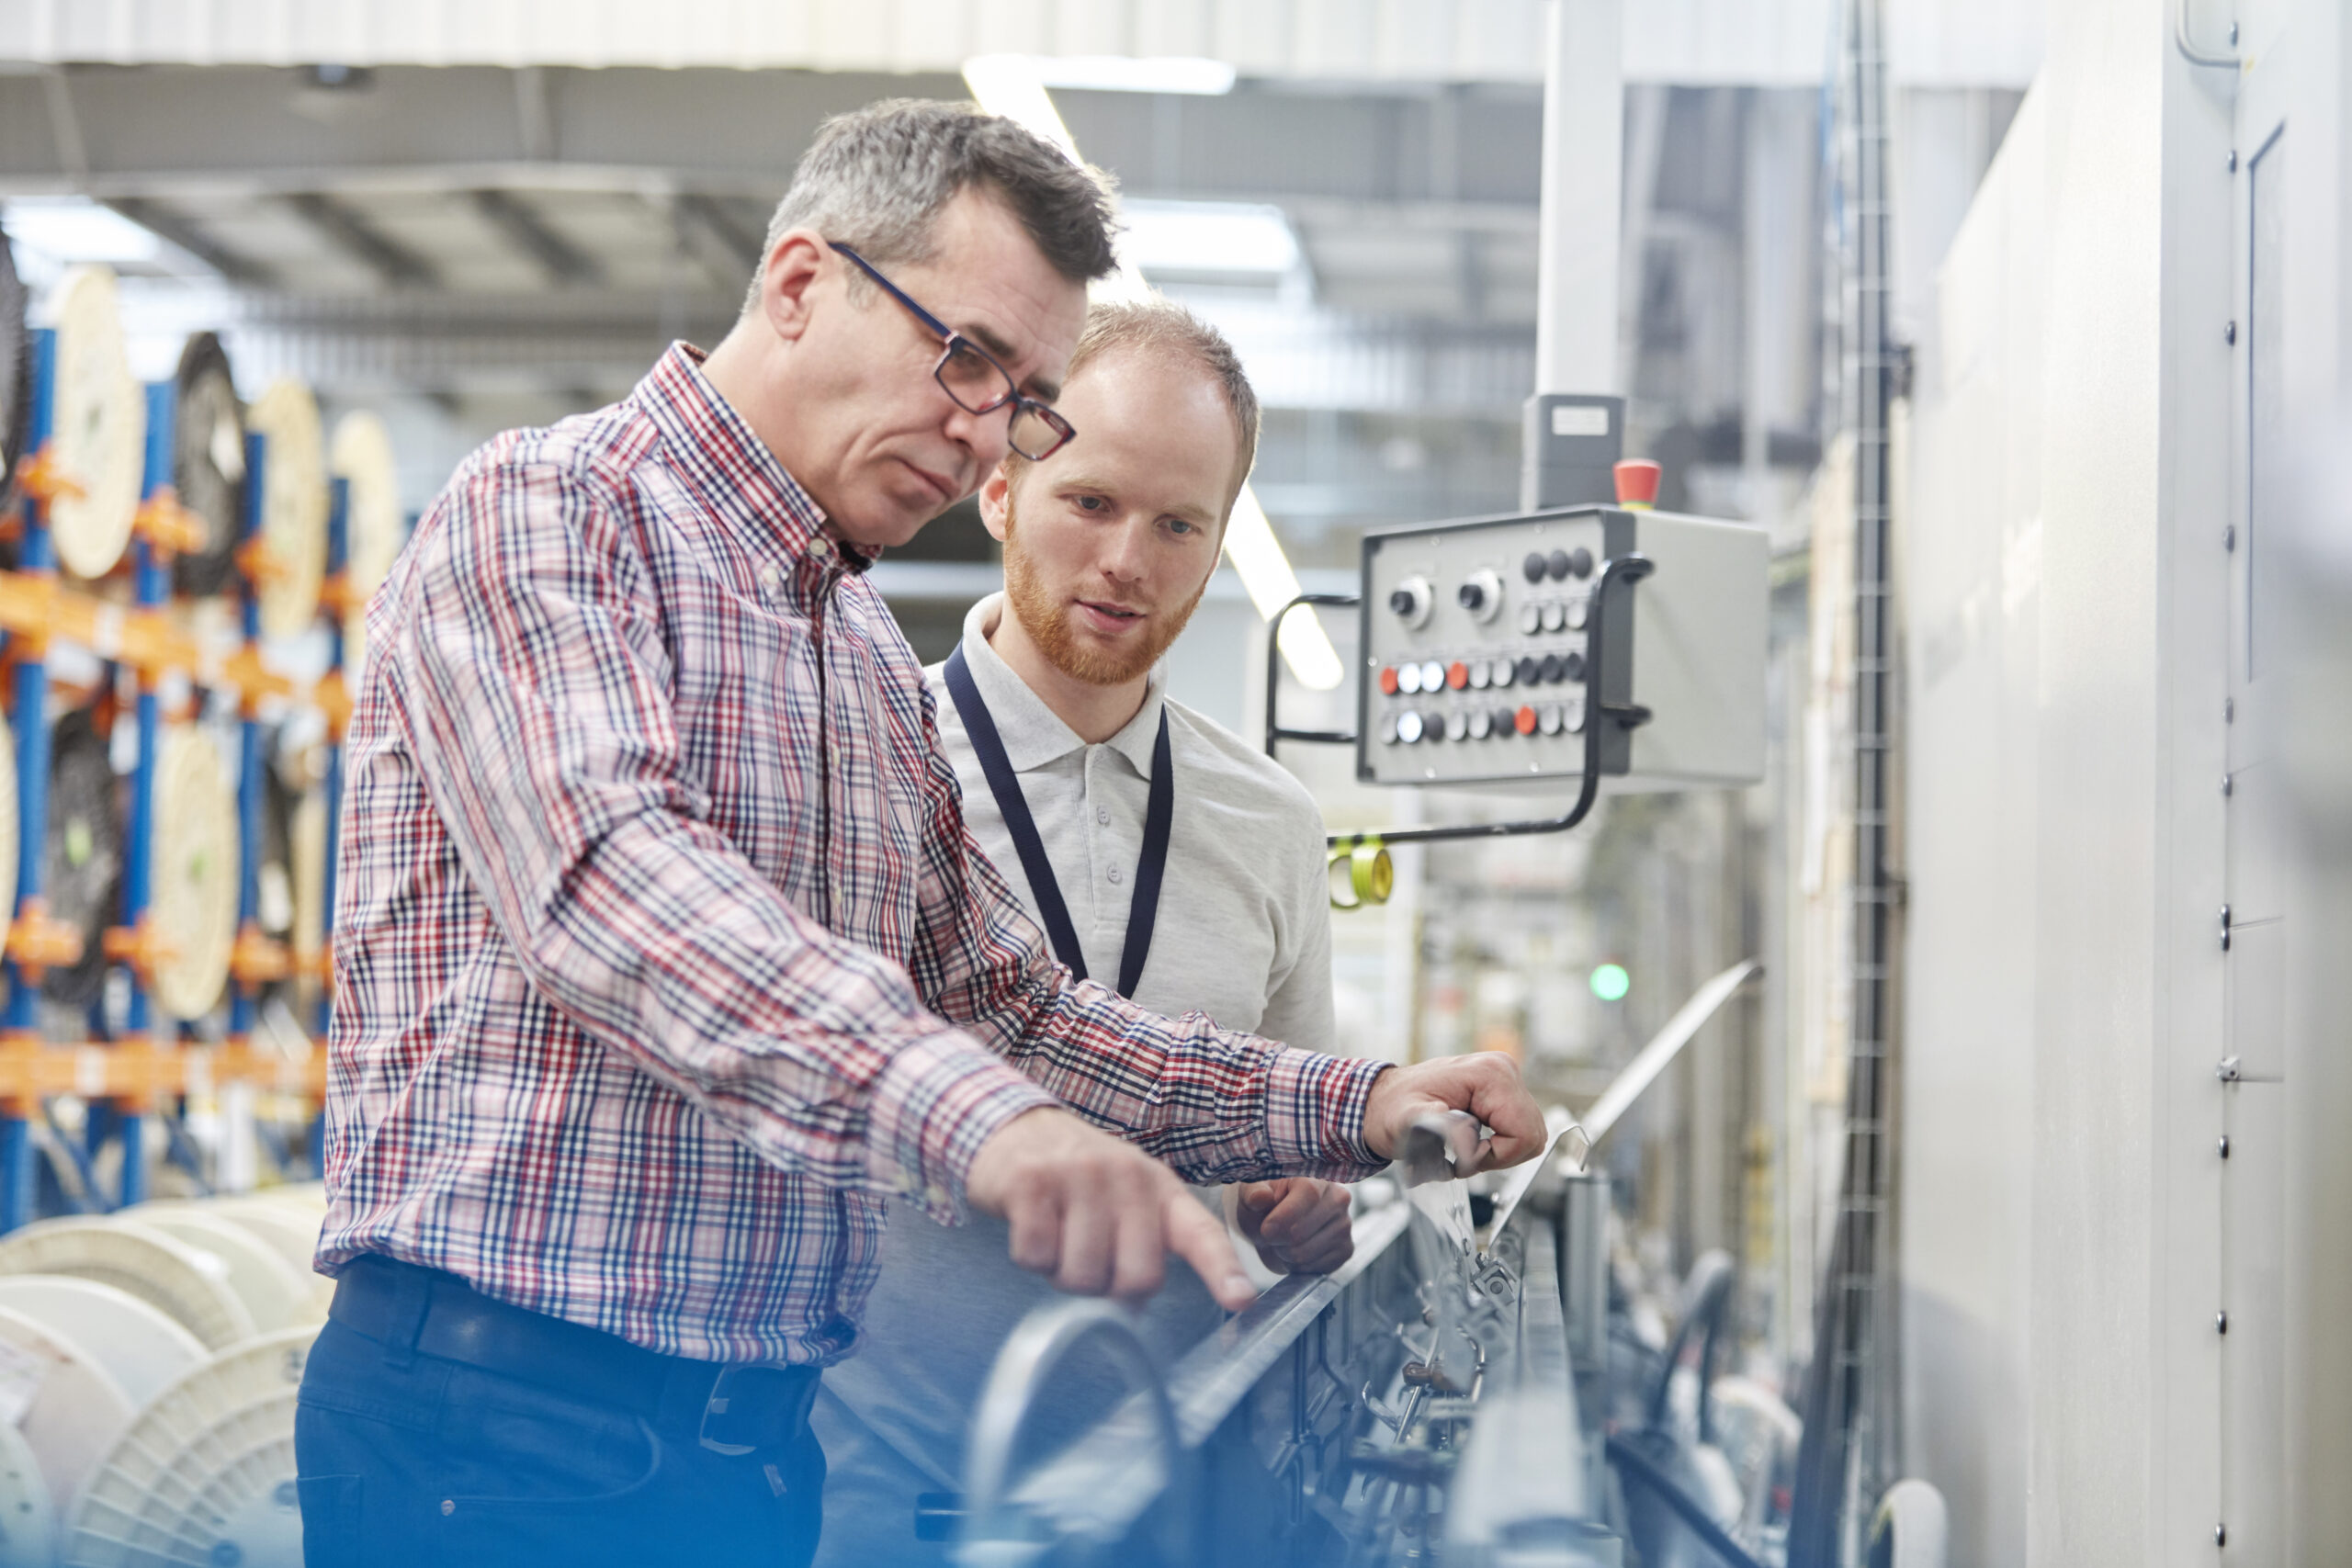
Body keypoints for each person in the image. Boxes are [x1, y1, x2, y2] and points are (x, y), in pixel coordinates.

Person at [296, 98, 1544, 1568]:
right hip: (503, 1427)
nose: (976, 429)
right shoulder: (553, 513)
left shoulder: (860, 650)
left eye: (1017, 393)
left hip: (755, 1441)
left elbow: (1013, 1007)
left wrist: (1362, 1099)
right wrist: (991, 1128)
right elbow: (614, 883)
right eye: (963, 356)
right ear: (801, 282)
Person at [811, 299, 1354, 1565]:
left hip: (1174, 1488)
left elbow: (1292, 1118)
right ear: (999, 490)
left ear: (1220, 547)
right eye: (1091, 503)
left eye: (1179, 525)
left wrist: (1304, 1202)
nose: (1127, 561)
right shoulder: (862, 761)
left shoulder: (1272, 822)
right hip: (878, 1496)